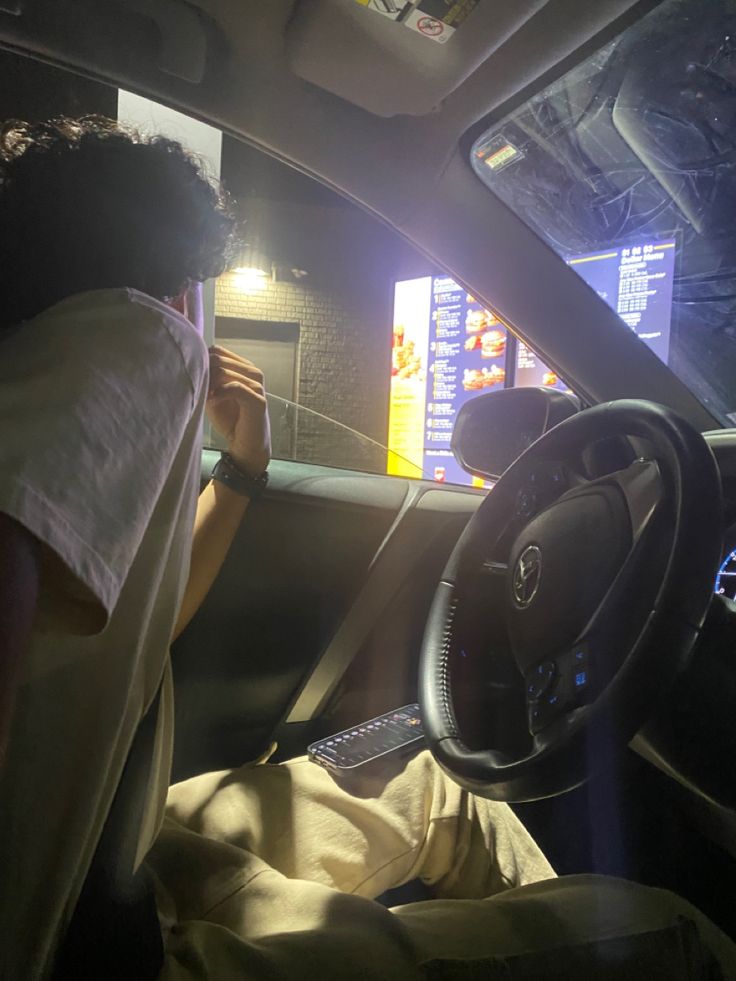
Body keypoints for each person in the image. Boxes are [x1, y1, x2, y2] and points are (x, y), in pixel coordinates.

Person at [0, 116, 734, 981]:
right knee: (671, 937)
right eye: (195, 284)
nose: (201, 315)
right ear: (166, 288)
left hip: (119, 867)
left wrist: (244, 470)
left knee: (440, 788)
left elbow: (133, 630)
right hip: (85, 948)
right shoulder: (128, 335)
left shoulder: (40, 375)